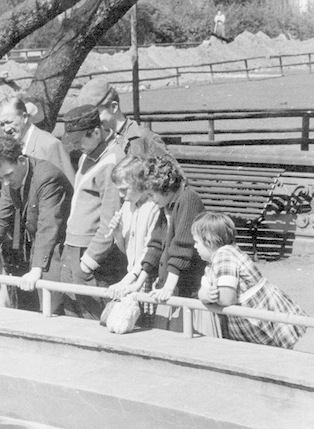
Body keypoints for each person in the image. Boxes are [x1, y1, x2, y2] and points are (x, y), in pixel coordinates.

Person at [0, 135, 72, 312]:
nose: (6, 182)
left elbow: (48, 225)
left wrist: (37, 269)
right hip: (38, 248)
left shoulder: (47, 176)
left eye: (8, 175)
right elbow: (0, 219)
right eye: (0, 178)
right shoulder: (11, 179)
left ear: (21, 161)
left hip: (59, 250)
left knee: (52, 309)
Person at [193, 212, 307, 349]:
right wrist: (206, 295)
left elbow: (227, 298)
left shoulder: (225, 255)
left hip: (262, 315)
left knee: (283, 351)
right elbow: (202, 290)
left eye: (197, 242)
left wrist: (214, 299)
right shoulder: (211, 265)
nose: (195, 246)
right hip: (251, 322)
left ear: (209, 241)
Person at [120, 155, 208, 333]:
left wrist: (169, 286)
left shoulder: (187, 199)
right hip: (171, 287)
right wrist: (138, 284)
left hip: (187, 289)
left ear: (164, 188)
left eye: (152, 195)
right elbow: (155, 246)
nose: (151, 200)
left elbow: (182, 246)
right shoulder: (166, 206)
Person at [59, 105, 126, 320]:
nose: (76, 146)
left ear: (96, 132)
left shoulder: (112, 161)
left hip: (91, 254)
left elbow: (111, 220)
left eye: (80, 140)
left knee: (93, 316)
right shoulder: (86, 156)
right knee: (71, 315)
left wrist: (88, 262)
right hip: (73, 247)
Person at [105, 157, 160, 323]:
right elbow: (126, 251)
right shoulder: (127, 206)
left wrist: (127, 280)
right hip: (131, 277)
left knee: (148, 326)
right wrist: (117, 233)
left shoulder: (154, 207)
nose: (121, 195)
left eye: (124, 190)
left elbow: (150, 251)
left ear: (140, 183)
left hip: (149, 278)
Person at [75, 78, 167, 158]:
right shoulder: (95, 145)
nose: (92, 121)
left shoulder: (146, 140)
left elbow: (170, 171)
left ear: (114, 107)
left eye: (96, 114)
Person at [0, 96, 75, 184]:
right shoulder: (7, 148)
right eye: (2, 124)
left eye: (9, 122)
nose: (6, 129)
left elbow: (68, 185)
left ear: (25, 117)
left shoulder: (50, 145)